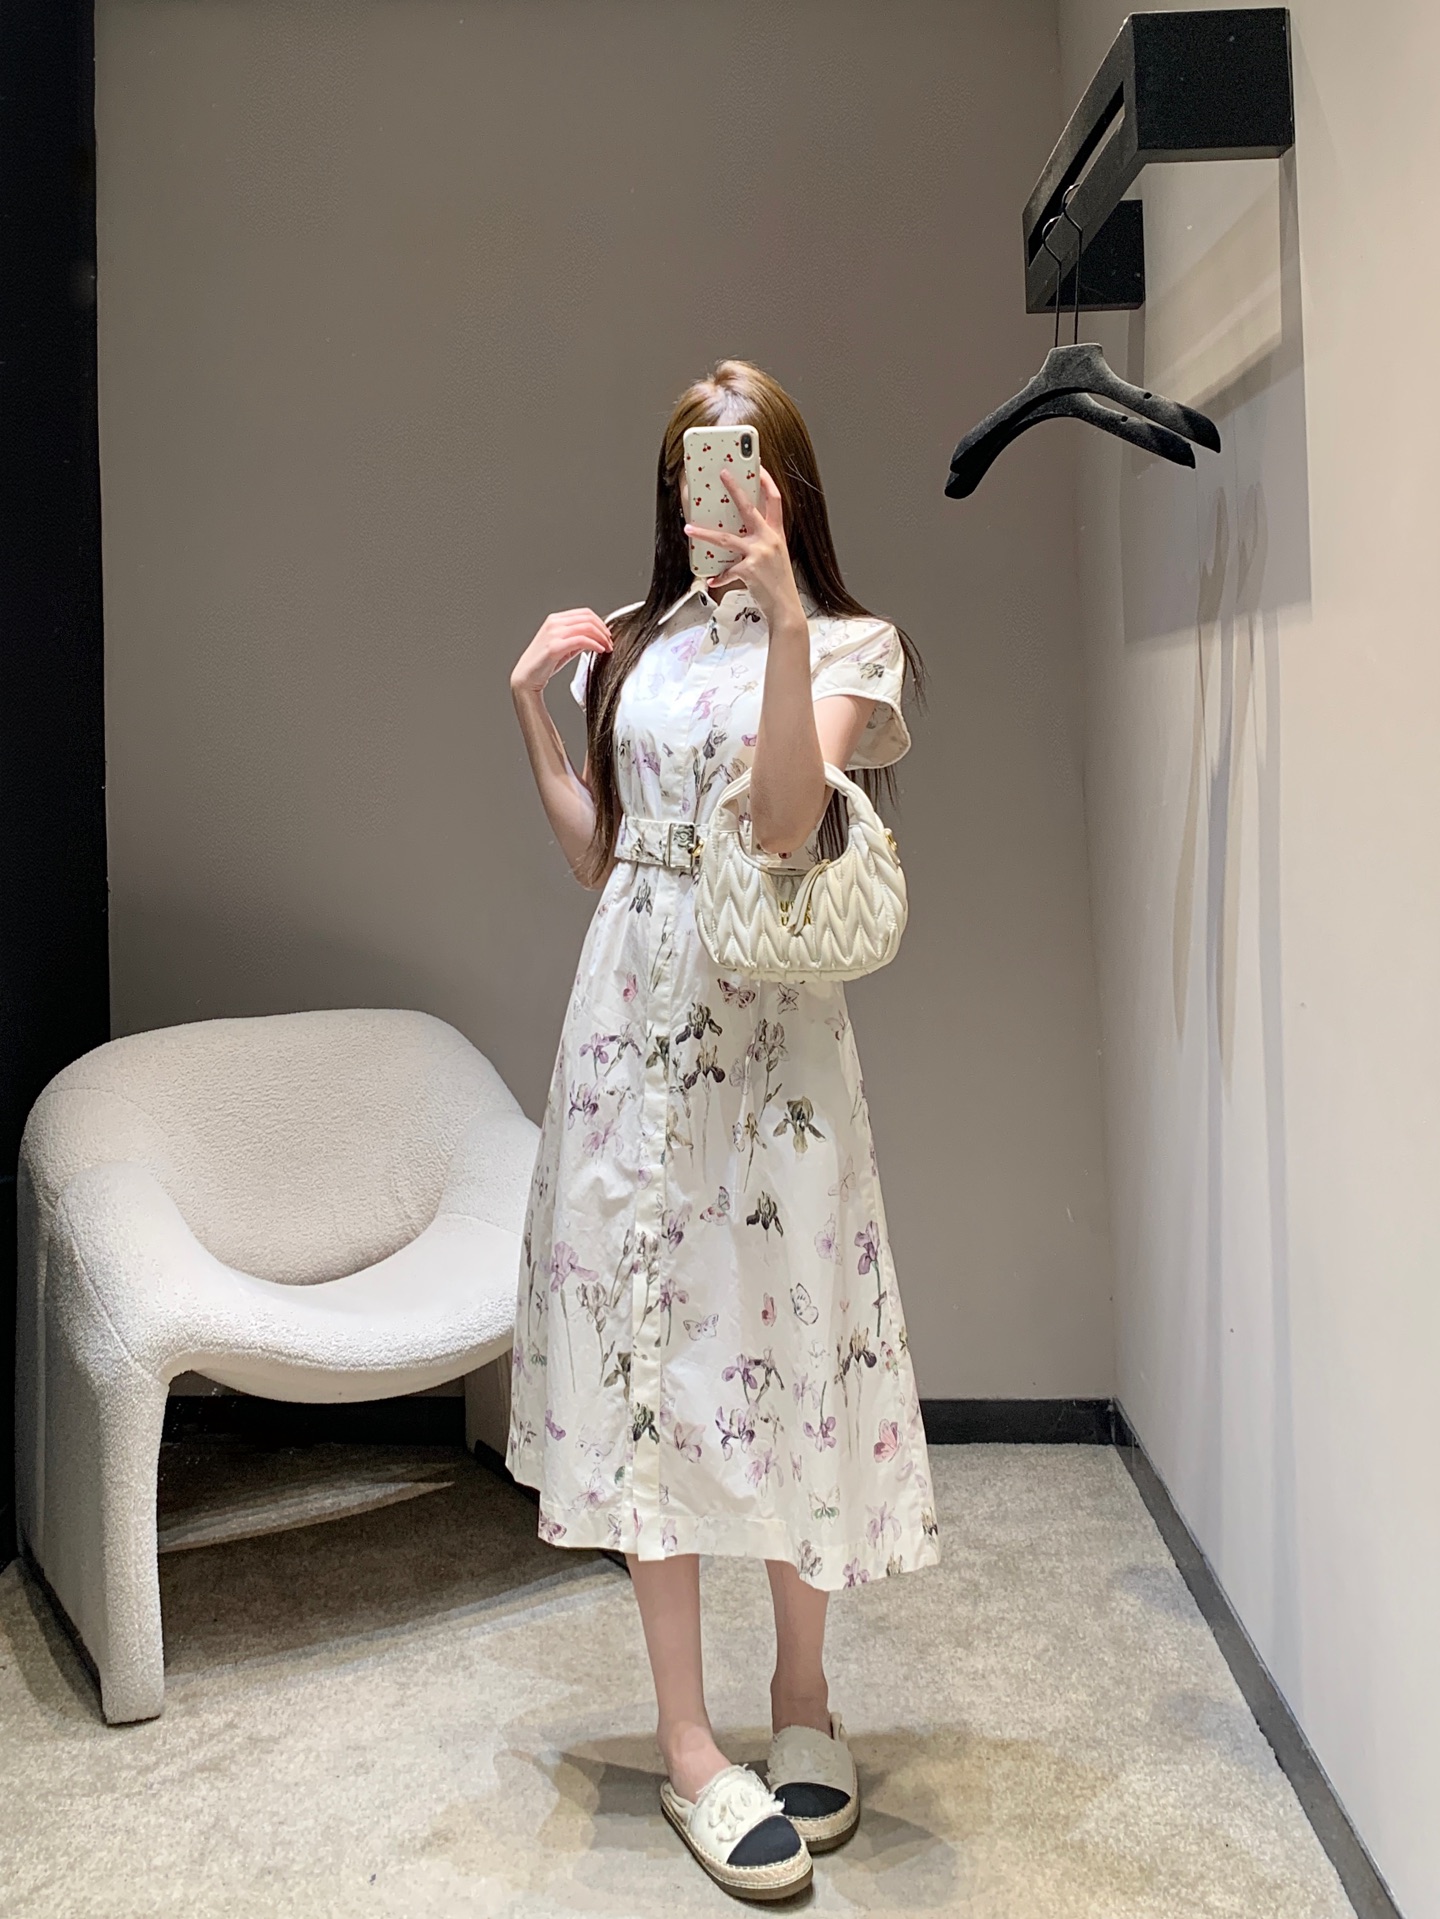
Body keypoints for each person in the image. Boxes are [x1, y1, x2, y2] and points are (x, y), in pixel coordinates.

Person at [506, 358, 940, 1900]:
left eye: (742, 465)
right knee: (649, 1362)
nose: (716, 494)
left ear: (786, 484)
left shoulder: (854, 645)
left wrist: (783, 617)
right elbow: (603, 859)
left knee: (788, 1332)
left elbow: (779, 824)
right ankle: (690, 1742)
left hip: (773, 1046)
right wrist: (538, 720)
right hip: (629, 1036)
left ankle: (802, 1696)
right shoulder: (632, 649)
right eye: (693, 467)